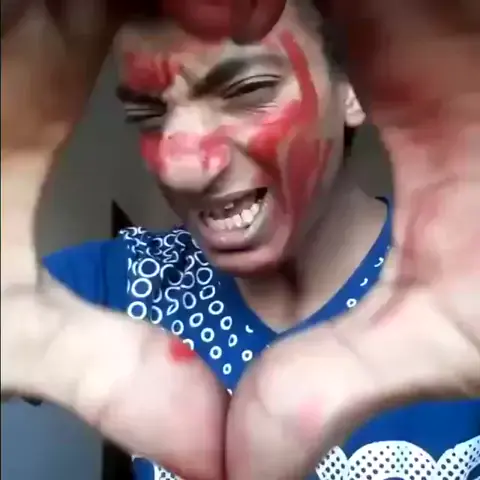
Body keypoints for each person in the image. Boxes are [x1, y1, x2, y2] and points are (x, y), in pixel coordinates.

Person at [2, 0, 479, 479]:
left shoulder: (458, 289)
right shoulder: (116, 286)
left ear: (356, 88)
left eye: (248, 91)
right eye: (148, 114)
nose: (180, 169)